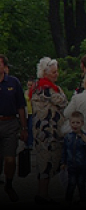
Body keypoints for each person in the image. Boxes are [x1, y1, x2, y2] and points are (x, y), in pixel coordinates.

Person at [27, 57, 66, 204]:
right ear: (45, 73)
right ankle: (43, 194)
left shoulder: (37, 87)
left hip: (41, 130)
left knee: (43, 160)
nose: (57, 74)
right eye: (54, 72)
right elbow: (63, 102)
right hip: (48, 131)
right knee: (47, 161)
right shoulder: (46, 89)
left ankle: (42, 192)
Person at [0, 54, 27, 202]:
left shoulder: (13, 82)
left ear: (4, 66)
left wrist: (24, 128)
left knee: (10, 159)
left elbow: (20, 106)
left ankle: (9, 185)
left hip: (10, 123)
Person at [62, 111, 86, 203]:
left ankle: (83, 200)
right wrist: (63, 162)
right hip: (71, 166)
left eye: (78, 123)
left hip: (82, 166)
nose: (75, 125)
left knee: (81, 184)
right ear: (70, 123)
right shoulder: (68, 137)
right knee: (71, 184)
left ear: (82, 123)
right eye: (73, 122)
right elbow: (64, 151)